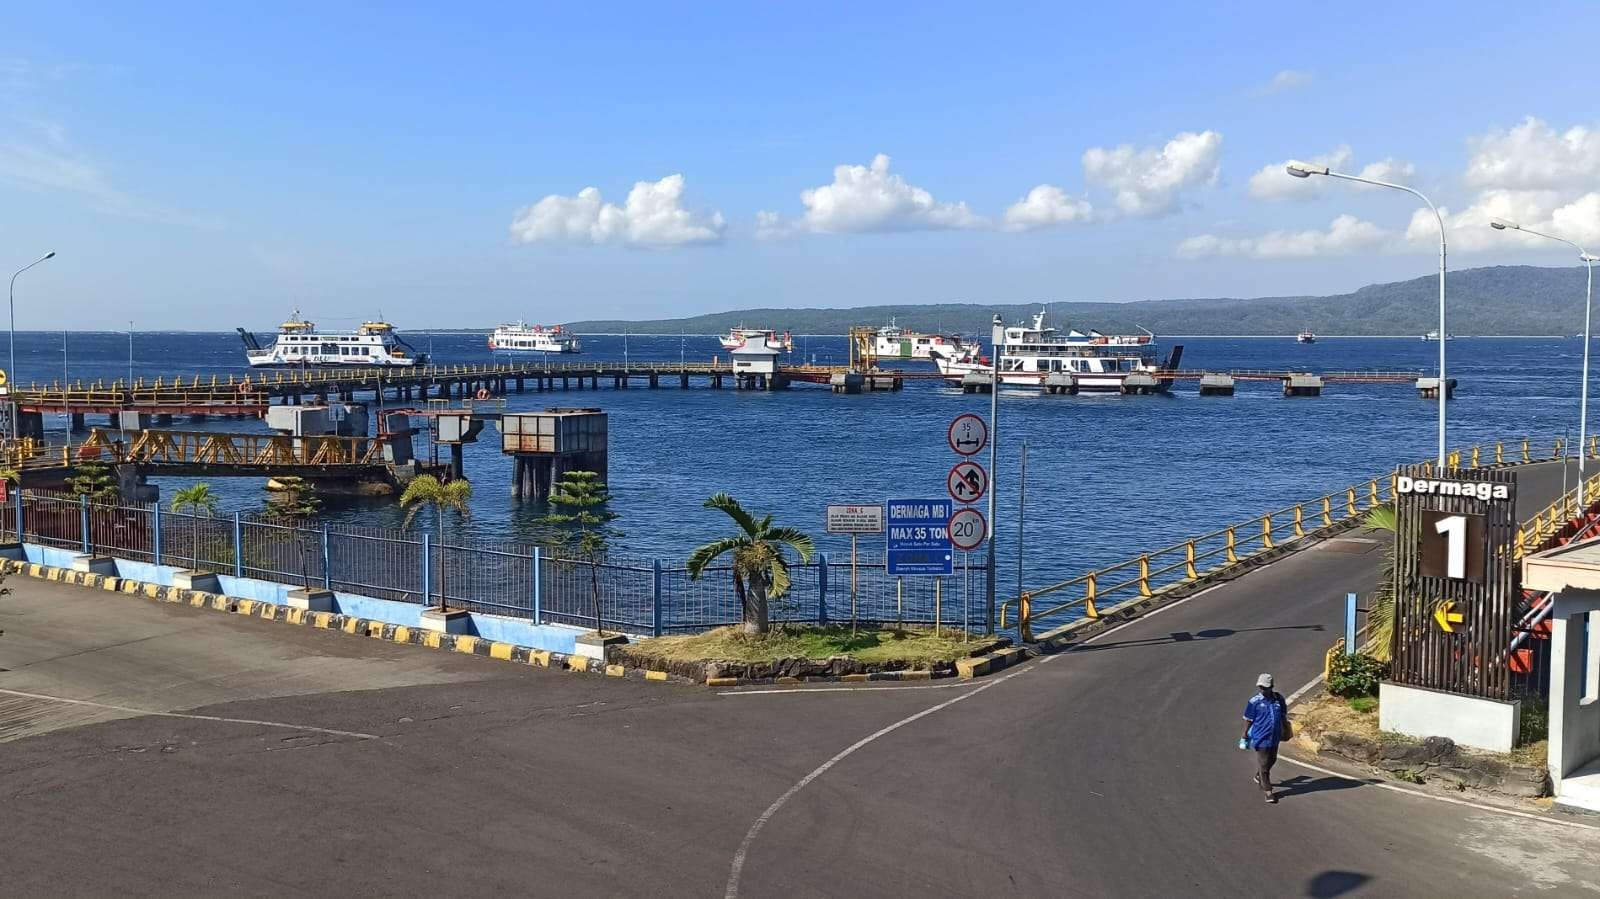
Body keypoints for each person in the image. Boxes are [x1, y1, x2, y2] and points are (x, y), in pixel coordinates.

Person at [1241, 673, 1288, 803]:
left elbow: (1283, 716)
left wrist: (1286, 730)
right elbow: (1248, 719)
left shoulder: (1279, 699)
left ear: (1271, 686)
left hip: (1275, 737)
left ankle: (1259, 775)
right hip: (1260, 738)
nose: (1262, 690)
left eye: (1265, 687)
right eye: (1260, 687)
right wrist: (1245, 733)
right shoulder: (1254, 702)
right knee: (1263, 764)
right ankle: (1268, 792)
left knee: (1272, 760)